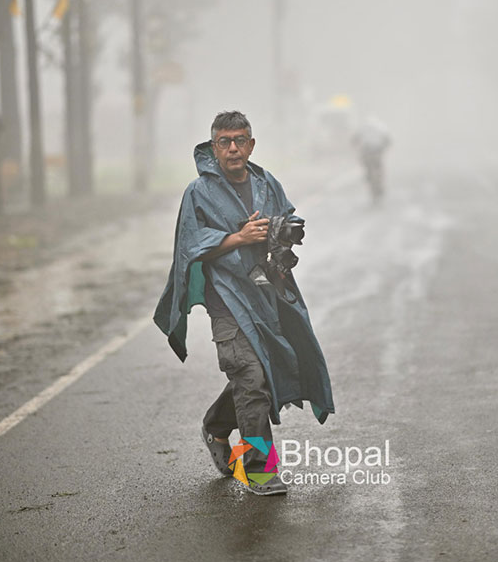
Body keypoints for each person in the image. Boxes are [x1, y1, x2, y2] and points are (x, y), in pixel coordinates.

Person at [153, 111, 334, 496]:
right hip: (228, 299)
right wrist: (239, 238)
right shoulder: (198, 193)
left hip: (268, 293)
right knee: (250, 379)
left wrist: (284, 234)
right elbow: (189, 246)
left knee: (265, 373)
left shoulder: (267, 183)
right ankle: (260, 469)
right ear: (213, 147)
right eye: (224, 141)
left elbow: (286, 218)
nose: (233, 148)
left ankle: (218, 426)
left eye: (240, 140)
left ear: (251, 144)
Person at [351, 117, 391, 203]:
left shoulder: (363, 128)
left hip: (367, 151)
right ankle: (379, 184)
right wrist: (384, 148)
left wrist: (356, 146)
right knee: (379, 168)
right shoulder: (380, 126)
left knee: (367, 168)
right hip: (377, 151)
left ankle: (369, 178)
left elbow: (355, 139)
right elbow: (388, 139)